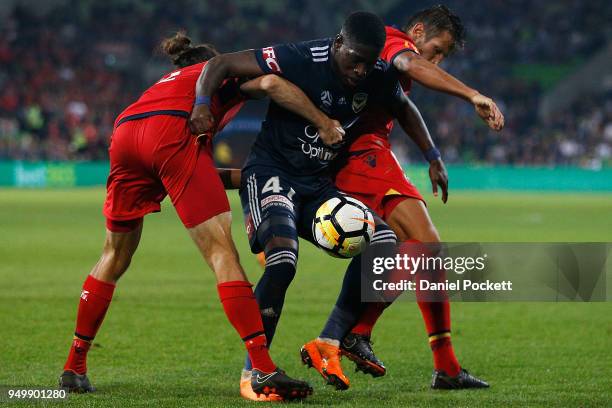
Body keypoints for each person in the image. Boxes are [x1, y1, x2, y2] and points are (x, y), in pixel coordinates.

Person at [58, 31, 345, 399]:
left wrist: (259, 174)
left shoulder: (164, 82)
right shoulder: (217, 78)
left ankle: (74, 365)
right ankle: (261, 366)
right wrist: (322, 121)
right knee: (221, 253)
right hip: (171, 133)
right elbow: (272, 82)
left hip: (126, 131)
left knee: (113, 256)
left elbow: (186, 168)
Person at [190, 11, 450, 401]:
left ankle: (333, 339)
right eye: (355, 60)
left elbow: (404, 108)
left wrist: (432, 155)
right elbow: (221, 63)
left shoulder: (376, 74)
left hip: (316, 185)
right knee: (282, 263)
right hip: (271, 173)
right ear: (338, 44)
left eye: (368, 62)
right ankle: (255, 373)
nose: (361, 70)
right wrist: (201, 103)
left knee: (384, 243)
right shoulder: (300, 57)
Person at [307, 5, 503, 390]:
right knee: (428, 246)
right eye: (437, 49)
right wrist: (472, 94)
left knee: (410, 249)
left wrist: (433, 156)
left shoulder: (384, 57)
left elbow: (404, 106)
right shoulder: (392, 42)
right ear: (416, 31)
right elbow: (410, 66)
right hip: (363, 155)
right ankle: (364, 336)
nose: (437, 59)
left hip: (364, 154)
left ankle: (373, 339)